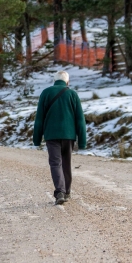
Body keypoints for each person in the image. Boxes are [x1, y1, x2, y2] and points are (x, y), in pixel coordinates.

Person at [33, 71, 87, 205]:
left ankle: (60, 191)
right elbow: (80, 120)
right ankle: (66, 191)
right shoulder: (72, 94)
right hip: (69, 135)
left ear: (54, 80)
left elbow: (39, 119)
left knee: (55, 163)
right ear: (67, 82)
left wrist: (36, 139)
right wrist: (82, 141)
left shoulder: (46, 93)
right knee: (66, 163)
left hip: (51, 135)